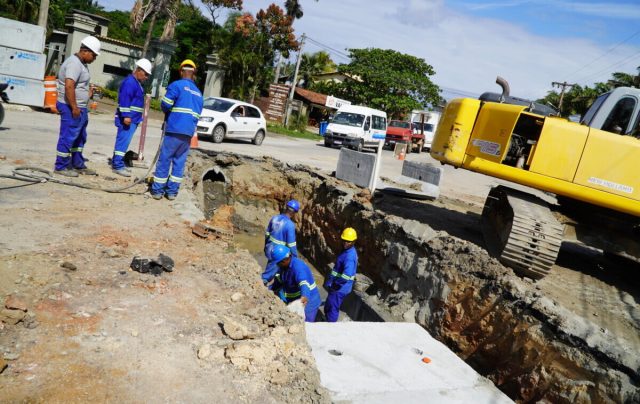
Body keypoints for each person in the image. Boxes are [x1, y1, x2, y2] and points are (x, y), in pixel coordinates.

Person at [151, 59, 203, 200]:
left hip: (174, 129)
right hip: (187, 133)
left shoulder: (177, 85)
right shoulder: (199, 93)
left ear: (181, 71)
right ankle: (172, 192)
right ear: (194, 74)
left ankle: (158, 191)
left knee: (165, 159)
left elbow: (166, 105)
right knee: (179, 162)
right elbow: (197, 115)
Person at [54, 36, 101, 177]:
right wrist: (74, 107)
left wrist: (88, 93)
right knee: (68, 136)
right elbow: (69, 85)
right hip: (71, 108)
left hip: (80, 108)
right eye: (94, 55)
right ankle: (61, 166)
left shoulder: (82, 64)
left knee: (80, 137)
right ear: (85, 51)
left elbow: (78, 85)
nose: (94, 58)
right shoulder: (74, 63)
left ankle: (77, 164)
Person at [111, 58, 152, 177]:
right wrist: (126, 116)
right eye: (145, 74)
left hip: (133, 119)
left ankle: (118, 162)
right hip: (128, 119)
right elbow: (125, 100)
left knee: (124, 142)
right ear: (139, 70)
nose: (146, 77)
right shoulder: (130, 82)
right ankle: (117, 165)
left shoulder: (136, 83)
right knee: (122, 142)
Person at [270, 245, 321, 323]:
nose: (277, 265)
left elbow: (304, 283)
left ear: (284, 261)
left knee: (306, 325)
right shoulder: (283, 268)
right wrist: (268, 290)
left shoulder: (298, 268)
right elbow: (279, 281)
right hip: (293, 299)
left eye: (278, 263)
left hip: (309, 303)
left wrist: (304, 296)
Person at [324, 227, 358, 322]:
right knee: (329, 305)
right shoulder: (346, 250)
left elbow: (346, 275)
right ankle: (327, 321)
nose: (345, 243)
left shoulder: (349, 256)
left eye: (348, 241)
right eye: (344, 240)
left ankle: (330, 327)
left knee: (332, 308)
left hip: (340, 287)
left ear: (354, 241)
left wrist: (336, 284)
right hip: (336, 285)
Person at [262, 200, 300, 284]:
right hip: (279, 252)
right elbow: (291, 244)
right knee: (269, 273)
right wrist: (295, 258)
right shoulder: (290, 225)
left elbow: (267, 234)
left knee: (272, 267)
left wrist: (265, 246)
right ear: (294, 213)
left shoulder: (275, 217)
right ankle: (262, 284)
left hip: (269, 247)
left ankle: (274, 284)